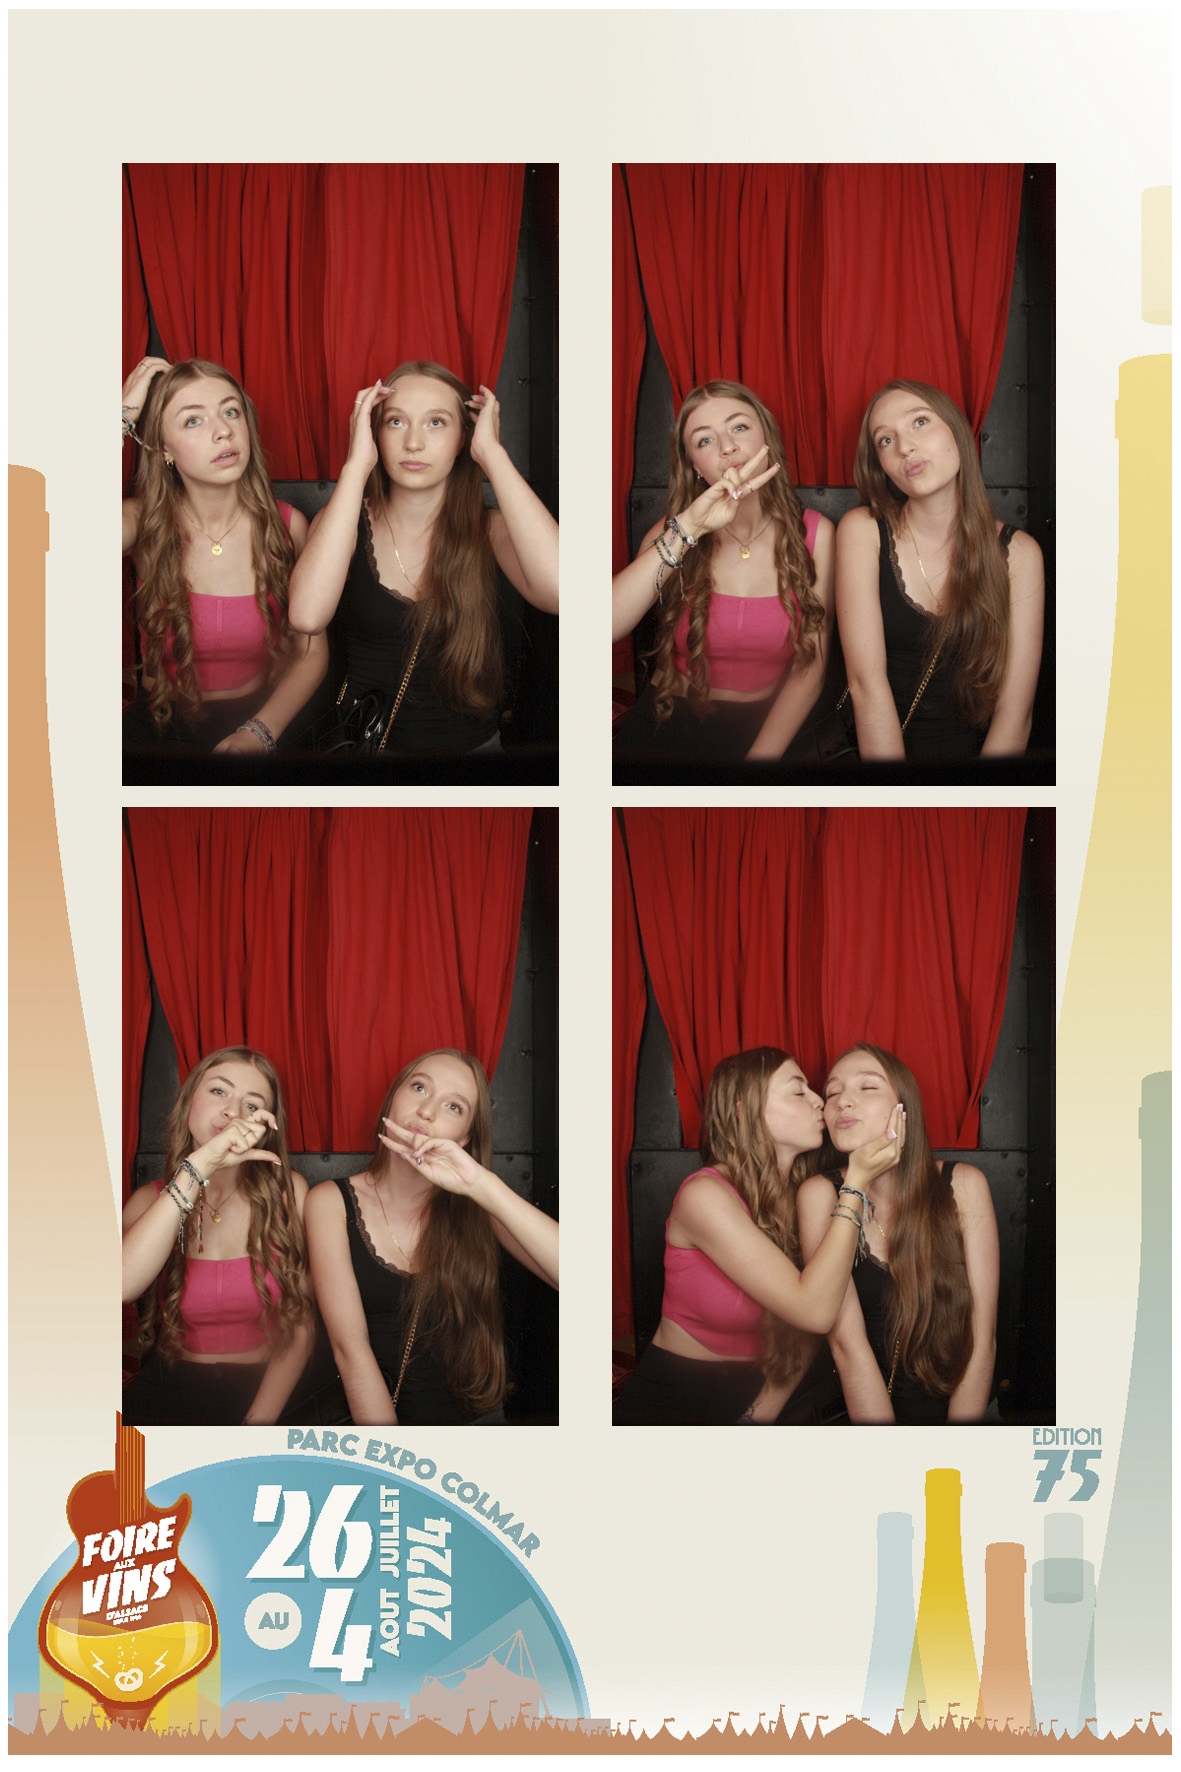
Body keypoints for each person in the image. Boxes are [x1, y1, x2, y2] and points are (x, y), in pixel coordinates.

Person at [612, 1047, 904, 1426]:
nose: (819, 1100)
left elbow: (810, 1329)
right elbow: (814, 1312)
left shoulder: (809, 1195)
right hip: (675, 1405)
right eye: (798, 1091)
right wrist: (858, 1182)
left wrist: (757, 1417)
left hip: (763, 1401)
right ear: (742, 1110)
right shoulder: (705, 1196)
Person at [287, 362, 559, 755]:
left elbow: (563, 594)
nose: (413, 442)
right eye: (396, 422)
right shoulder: (343, 521)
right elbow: (307, 616)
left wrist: (492, 454)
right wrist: (356, 464)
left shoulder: (491, 528)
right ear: (375, 433)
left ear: (463, 438)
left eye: (436, 423)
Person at [304, 1050, 559, 1424]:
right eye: (419, 1087)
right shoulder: (329, 1202)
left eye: (454, 1107)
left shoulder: (479, 1204)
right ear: (393, 1098)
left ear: (466, 1137)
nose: (426, 1111)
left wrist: (479, 1184)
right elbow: (350, 1350)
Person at [612, 381, 837, 762]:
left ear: (767, 437)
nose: (727, 447)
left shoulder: (817, 535)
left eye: (739, 427)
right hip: (665, 723)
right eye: (705, 440)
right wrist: (690, 529)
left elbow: (809, 670)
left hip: (761, 728)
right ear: (694, 465)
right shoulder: (673, 532)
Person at [121, 357, 328, 753]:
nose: (223, 431)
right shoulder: (141, 521)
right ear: (164, 449)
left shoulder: (288, 527)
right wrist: (120, 418)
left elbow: (311, 651)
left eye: (231, 412)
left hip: (261, 719)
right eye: (193, 420)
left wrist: (259, 733)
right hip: (159, 728)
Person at [836, 380, 1045, 760]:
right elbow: (866, 684)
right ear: (881, 466)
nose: (904, 447)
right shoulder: (862, 530)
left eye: (919, 422)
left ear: (957, 430)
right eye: (886, 440)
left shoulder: (1020, 554)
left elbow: (1016, 713)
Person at [797, 1044, 1000, 1424]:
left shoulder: (964, 1185)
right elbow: (847, 1345)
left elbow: (982, 1336)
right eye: (832, 1092)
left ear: (904, 1106)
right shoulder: (818, 1194)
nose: (843, 1102)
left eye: (867, 1087)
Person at [121, 1047, 313, 1425]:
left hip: (265, 1392)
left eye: (252, 1105)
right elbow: (121, 1287)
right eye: (219, 1091)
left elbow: (302, 1327)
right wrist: (198, 1167)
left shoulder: (290, 1193)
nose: (232, 1112)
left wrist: (257, 1425)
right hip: (170, 1390)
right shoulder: (149, 1201)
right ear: (188, 1100)